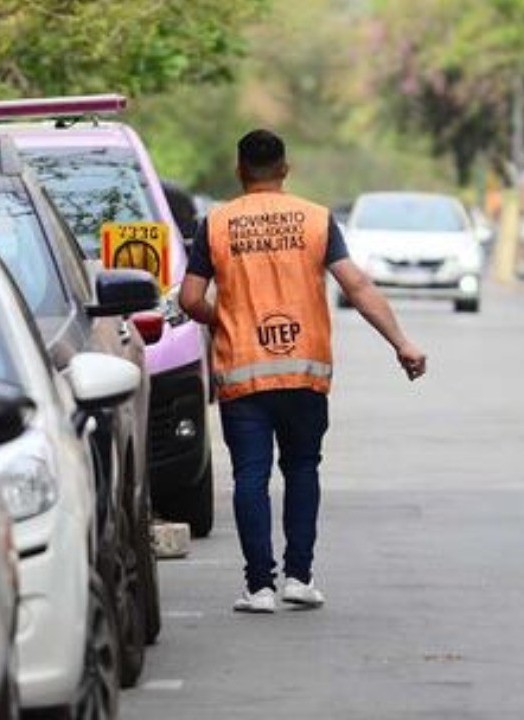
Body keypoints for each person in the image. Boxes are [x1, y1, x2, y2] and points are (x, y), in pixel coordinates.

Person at [179, 129, 427, 613]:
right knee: (302, 469)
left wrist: (225, 317)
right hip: (305, 374)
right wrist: (402, 343)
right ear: (285, 170)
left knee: (251, 475)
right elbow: (355, 284)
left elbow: (190, 299)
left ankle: (259, 588)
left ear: (239, 171)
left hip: (243, 374)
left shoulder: (217, 223)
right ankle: (299, 577)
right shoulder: (316, 220)